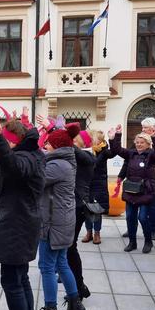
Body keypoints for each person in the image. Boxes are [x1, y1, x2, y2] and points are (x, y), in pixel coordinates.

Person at [0, 118, 45, 310]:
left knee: (12, 280)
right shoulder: (31, 153)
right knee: (20, 278)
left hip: (15, 226)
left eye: (6, 140)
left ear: (13, 141)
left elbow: (12, 166)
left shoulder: (25, 158)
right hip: (19, 224)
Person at [37, 125, 88, 310]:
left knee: (47, 267)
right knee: (62, 263)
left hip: (53, 223)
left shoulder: (57, 165)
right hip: (63, 219)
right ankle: (75, 304)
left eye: (48, 143)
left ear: (57, 145)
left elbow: (35, 180)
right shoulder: (64, 161)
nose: (45, 145)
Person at [108, 126, 155, 254]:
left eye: (142, 142)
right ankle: (132, 242)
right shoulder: (131, 154)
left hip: (145, 191)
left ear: (148, 144)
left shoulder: (151, 155)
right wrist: (116, 136)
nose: (139, 145)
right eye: (137, 142)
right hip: (131, 190)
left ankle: (148, 241)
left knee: (143, 217)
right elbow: (117, 150)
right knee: (130, 217)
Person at [120, 117, 155, 240]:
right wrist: (121, 175)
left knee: (153, 205)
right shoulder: (139, 140)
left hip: (153, 179)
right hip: (136, 179)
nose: (142, 130)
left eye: (145, 128)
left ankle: (154, 229)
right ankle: (131, 228)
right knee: (132, 204)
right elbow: (129, 159)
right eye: (142, 127)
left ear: (154, 129)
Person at [68, 128, 95, 298]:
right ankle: (78, 286)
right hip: (72, 205)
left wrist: (53, 128)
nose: (71, 141)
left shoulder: (87, 156)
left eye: (74, 138)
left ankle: (78, 287)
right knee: (69, 248)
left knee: (70, 248)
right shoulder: (78, 155)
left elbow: (71, 148)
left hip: (78, 206)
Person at [83, 130, 112, 245]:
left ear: (99, 140)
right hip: (87, 183)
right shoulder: (87, 150)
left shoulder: (104, 151)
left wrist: (114, 138)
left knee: (96, 210)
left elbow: (94, 163)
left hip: (98, 184)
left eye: (92, 139)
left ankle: (97, 233)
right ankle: (88, 232)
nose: (90, 141)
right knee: (86, 209)